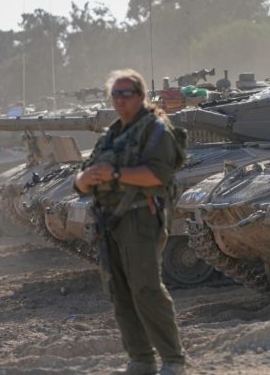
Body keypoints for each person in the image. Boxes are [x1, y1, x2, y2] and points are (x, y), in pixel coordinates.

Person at [74, 69, 187, 375]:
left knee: (146, 287)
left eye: (127, 94)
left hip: (141, 214)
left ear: (141, 96)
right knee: (119, 290)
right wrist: (85, 178)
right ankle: (141, 358)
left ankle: (173, 360)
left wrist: (113, 174)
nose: (121, 100)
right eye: (116, 94)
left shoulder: (155, 129)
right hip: (108, 219)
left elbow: (158, 174)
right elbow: (81, 181)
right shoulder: (111, 134)